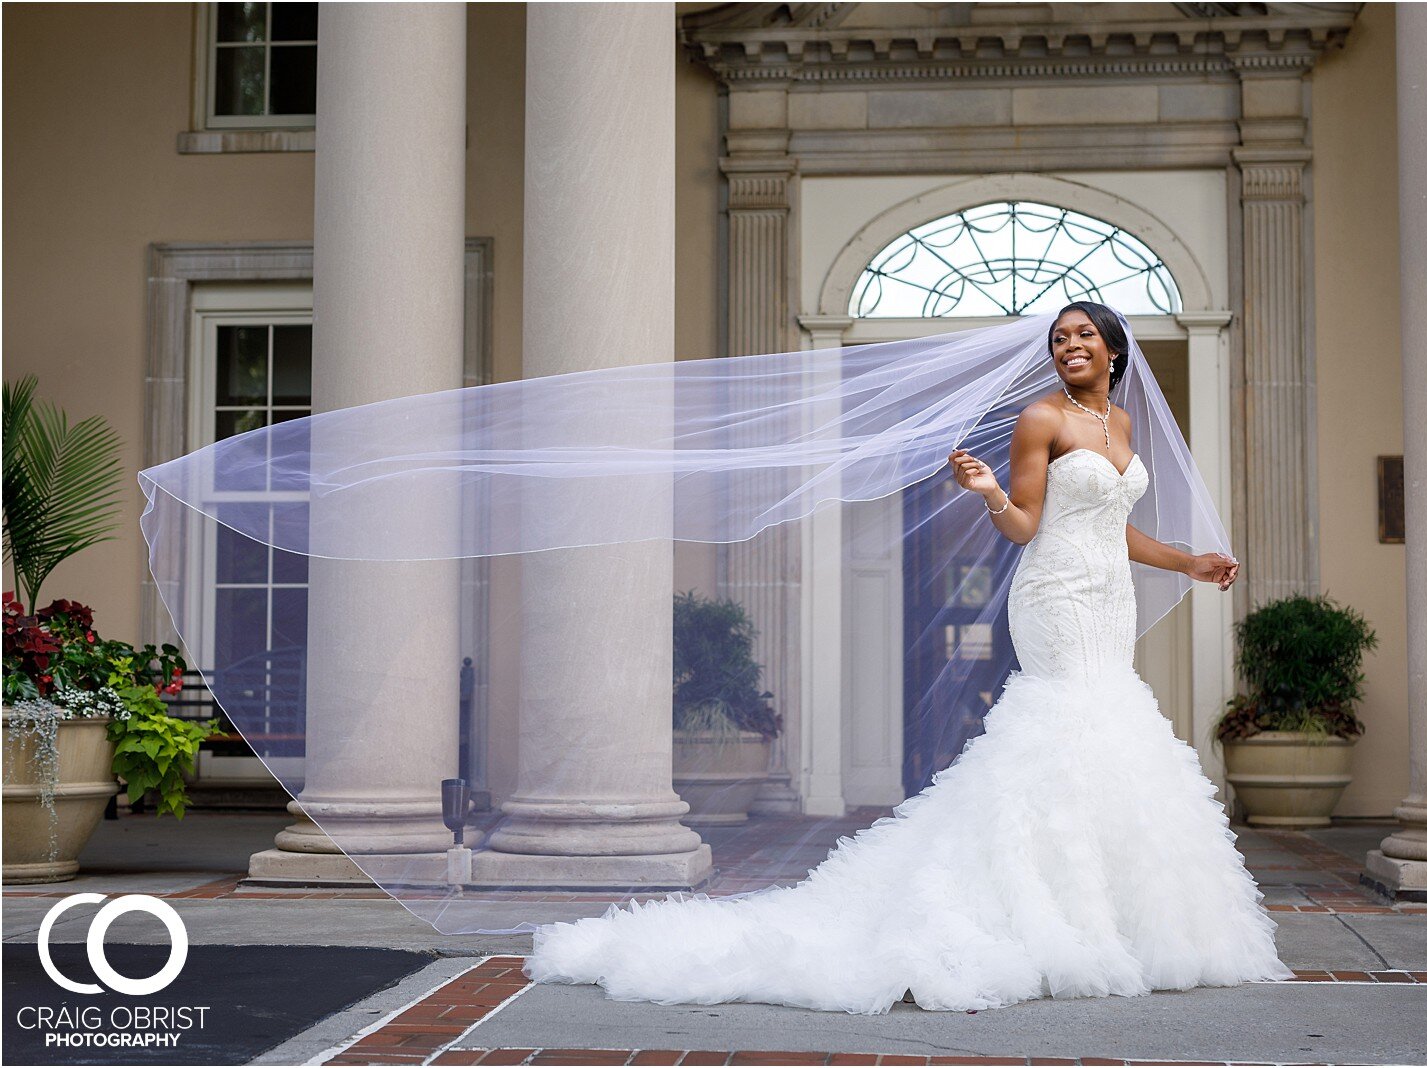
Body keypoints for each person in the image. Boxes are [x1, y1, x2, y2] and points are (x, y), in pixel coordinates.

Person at [520, 302, 1296, 1014]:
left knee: (1112, 724)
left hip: (1108, 598)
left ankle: (1125, 911)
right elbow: (1029, 526)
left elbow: (1112, 526)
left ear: (1114, 350)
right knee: (1065, 724)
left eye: (1084, 335)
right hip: (1054, 597)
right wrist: (990, 490)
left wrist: (1186, 561)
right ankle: (1033, 906)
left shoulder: (1121, 425)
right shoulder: (1040, 418)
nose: (1069, 346)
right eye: (1059, 338)